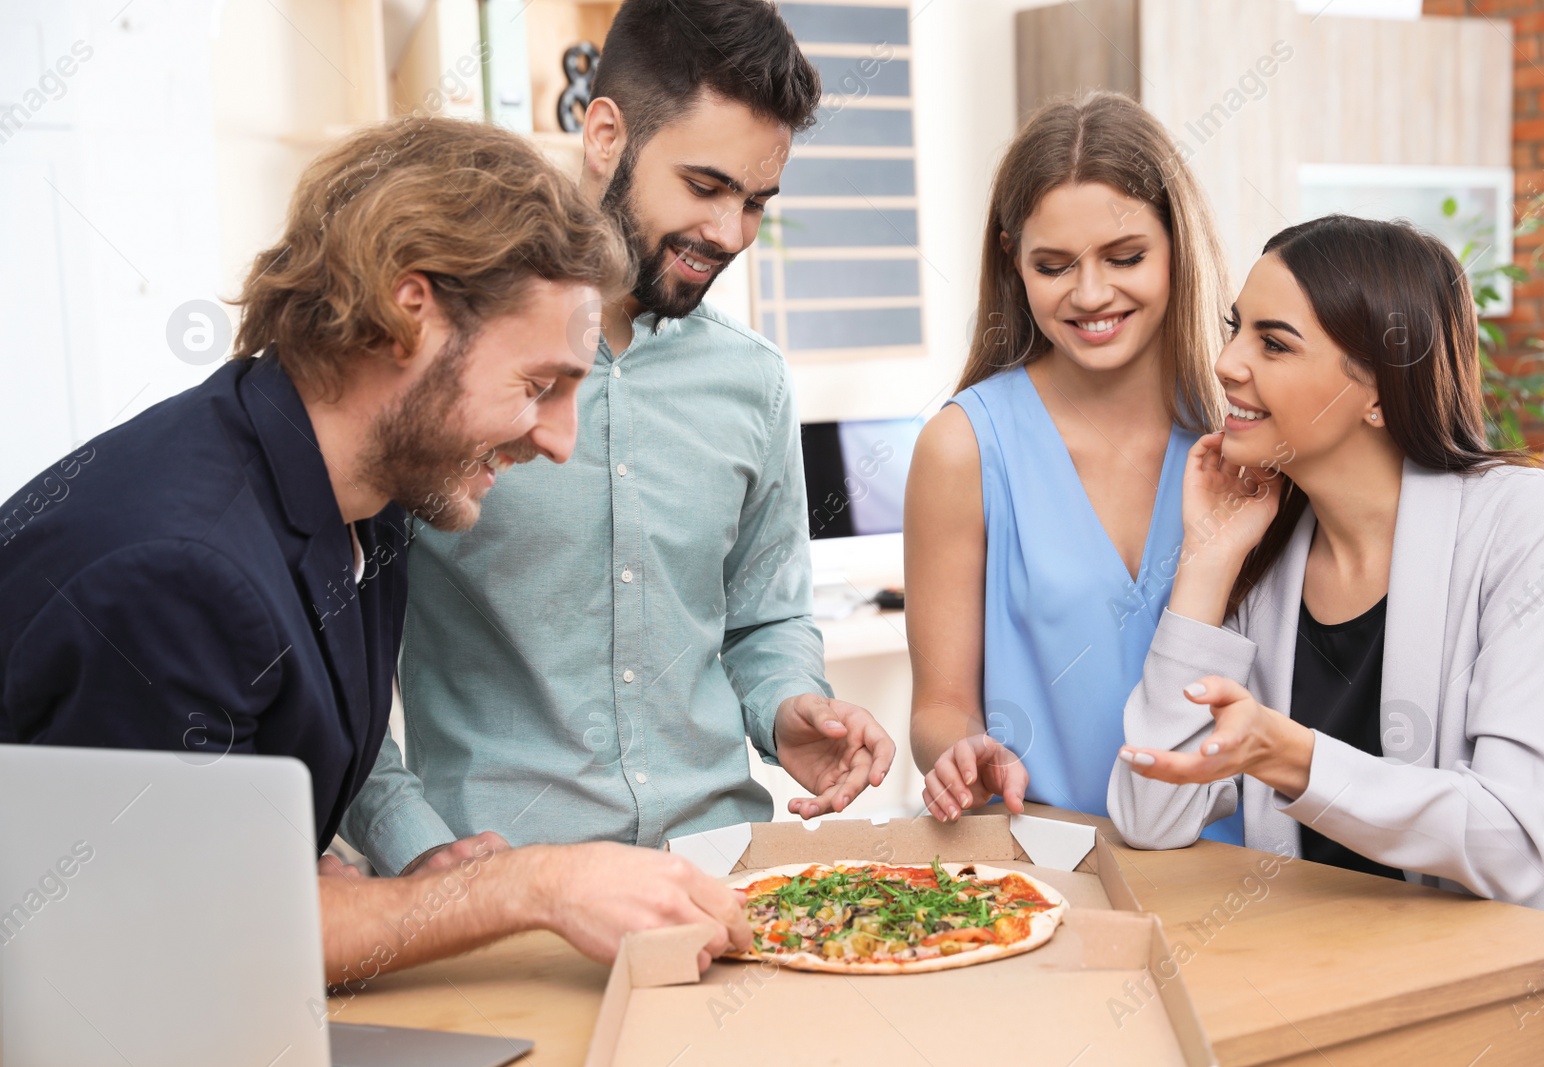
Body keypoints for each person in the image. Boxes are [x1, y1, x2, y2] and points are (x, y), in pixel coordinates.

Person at [0, 117, 753, 980]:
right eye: (539, 386)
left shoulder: (370, 502)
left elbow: (237, 850)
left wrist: (336, 880)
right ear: (410, 312)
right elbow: (195, 934)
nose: (560, 441)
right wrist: (532, 883)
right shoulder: (177, 568)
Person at [339, 0, 895, 879]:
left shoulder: (753, 382)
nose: (730, 233)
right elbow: (340, 671)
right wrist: (420, 849)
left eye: (756, 201)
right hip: (502, 887)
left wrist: (789, 707)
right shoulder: (444, 368)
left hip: (723, 873)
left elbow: (767, 617)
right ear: (605, 134)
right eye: (706, 187)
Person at [1109, 215, 1544, 920]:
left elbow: (1512, 837)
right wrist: (1207, 560)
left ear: (1377, 388)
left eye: (1273, 342)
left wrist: (1292, 756)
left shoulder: (1529, 522)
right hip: (1329, 975)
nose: (1226, 362)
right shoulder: (1269, 553)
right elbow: (1150, 814)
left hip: (1513, 996)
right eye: (1235, 326)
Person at [904, 91, 1242, 843]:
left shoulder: (1238, 436)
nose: (1091, 294)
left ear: (1176, 246)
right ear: (1011, 260)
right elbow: (939, 702)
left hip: (1230, 871)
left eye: (1125, 258)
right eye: (1053, 266)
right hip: (1040, 870)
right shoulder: (964, 447)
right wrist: (962, 751)